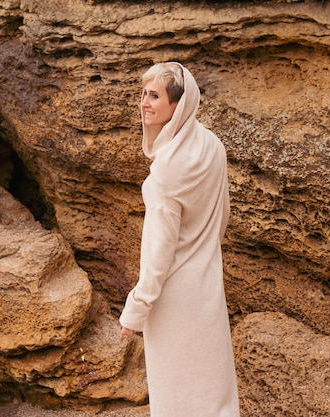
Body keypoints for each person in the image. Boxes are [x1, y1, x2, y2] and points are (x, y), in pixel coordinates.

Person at [119, 62, 240, 417]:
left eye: (154, 96)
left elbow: (159, 251)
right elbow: (222, 215)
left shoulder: (166, 172)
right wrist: (204, 252)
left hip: (172, 295)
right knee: (213, 387)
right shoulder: (212, 146)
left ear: (178, 105)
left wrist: (136, 310)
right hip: (207, 282)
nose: (144, 103)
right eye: (143, 94)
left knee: (176, 394)